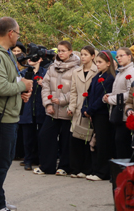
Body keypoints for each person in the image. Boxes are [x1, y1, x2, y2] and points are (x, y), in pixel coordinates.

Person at [0, 17, 31, 211]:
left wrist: (21, 91)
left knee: (4, 161)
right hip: (1, 117)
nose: (18, 37)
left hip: (9, 115)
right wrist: (23, 86)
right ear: (10, 33)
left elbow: (12, 81)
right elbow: (1, 87)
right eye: (18, 33)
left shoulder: (7, 53)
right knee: (1, 162)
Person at [36, 41, 80, 176]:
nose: (60, 53)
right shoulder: (52, 67)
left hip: (67, 109)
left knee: (66, 139)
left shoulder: (76, 69)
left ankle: (64, 167)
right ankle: (47, 166)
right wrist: (48, 104)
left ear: (70, 51)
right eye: (59, 51)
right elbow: (45, 86)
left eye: (63, 51)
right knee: (45, 135)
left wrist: (62, 100)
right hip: (52, 110)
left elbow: (76, 89)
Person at [82, 50, 115, 181]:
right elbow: (89, 94)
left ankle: (103, 172)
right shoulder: (96, 77)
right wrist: (85, 108)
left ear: (108, 63)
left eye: (100, 62)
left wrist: (91, 110)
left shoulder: (110, 78)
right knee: (95, 143)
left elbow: (102, 98)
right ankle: (96, 169)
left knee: (103, 143)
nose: (97, 65)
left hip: (102, 114)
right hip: (94, 114)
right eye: (97, 62)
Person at [68, 45, 97, 178]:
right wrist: (71, 107)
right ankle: (75, 168)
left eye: (86, 54)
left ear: (92, 56)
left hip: (90, 108)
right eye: (81, 54)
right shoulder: (76, 71)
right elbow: (73, 91)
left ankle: (87, 169)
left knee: (88, 138)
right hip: (78, 108)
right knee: (76, 138)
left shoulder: (96, 71)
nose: (83, 57)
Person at [18, 53, 48, 171]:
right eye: (29, 57)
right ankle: (28, 160)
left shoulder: (45, 73)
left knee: (41, 136)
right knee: (28, 137)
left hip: (41, 108)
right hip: (27, 109)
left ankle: (40, 159)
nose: (30, 59)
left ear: (40, 59)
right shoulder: (23, 73)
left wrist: (43, 84)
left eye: (33, 57)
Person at [108, 47, 134, 159]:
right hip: (118, 113)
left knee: (122, 143)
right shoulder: (120, 72)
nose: (119, 58)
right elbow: (118, 91)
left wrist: (111, 99)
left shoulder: (131, 72)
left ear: (129, 56)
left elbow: (130, 94)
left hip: (125, 114)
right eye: (117, 56)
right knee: (118, 143)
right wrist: (109, 95)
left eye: (122, 55)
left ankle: (125, 168)